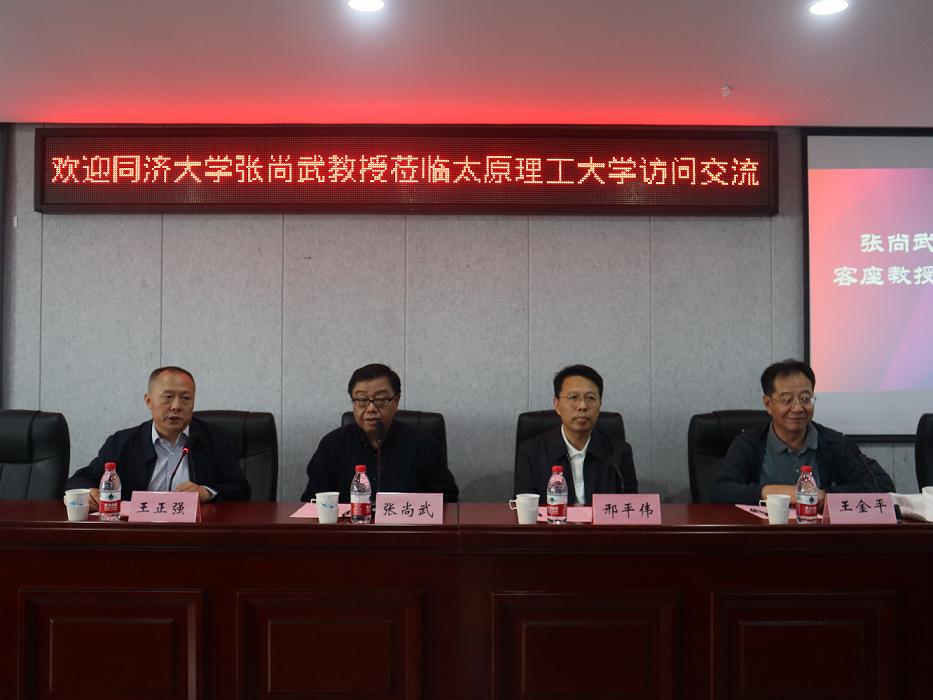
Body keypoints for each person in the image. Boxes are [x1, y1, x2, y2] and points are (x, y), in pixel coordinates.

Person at [711, 358, 894, 505]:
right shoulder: (749, 443)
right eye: (787, 400)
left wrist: (824, 496)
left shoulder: (834, 443)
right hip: (765, 535)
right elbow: (720, 490)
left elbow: (882, 485)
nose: (798, 408)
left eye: (806, 398)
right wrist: (771, 492)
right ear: (768, 404)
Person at [64, 366, 251, 508]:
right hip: (137, 535)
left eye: (186, 398)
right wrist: (90, 492)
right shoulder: (123, 442)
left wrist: (205, 492)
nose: (176, 406)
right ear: (148, 400)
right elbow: (78, 480)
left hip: (197, 535)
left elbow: (241, 489)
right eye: (168, 397)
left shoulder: (215, 439)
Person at [301, 363, 459, 502]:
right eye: (362, 400)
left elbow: (447, 500)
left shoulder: (423, 445)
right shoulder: (332, 445)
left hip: (406, 527)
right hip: (350, 527)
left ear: (396, 401)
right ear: (353, 402)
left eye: (380, 399)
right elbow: (312, 501)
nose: (371, 408)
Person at [514, 364, 637, 505]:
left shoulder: (619, 453)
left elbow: (631, 507)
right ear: (557, 405)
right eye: (573, 397)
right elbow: (523, 509)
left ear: (600, 405)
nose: (582, 406)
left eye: (590, 398)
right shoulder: (531, 453)